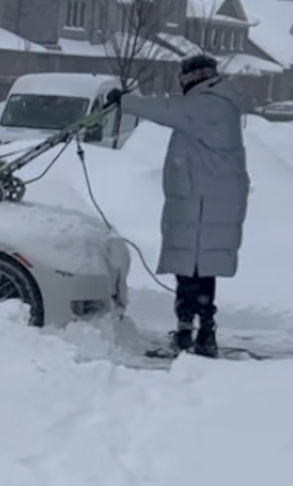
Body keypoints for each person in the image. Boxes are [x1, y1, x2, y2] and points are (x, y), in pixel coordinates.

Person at [105, 54, 251, 358]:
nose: (180, 83)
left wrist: (126, 102)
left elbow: (167, 109)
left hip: (203, 205)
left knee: (195, 269)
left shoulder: (210, 103)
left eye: (183, 77)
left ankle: (199, 332)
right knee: (194, 269)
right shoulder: (210, 99)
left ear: (195, 76)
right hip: (198, 202)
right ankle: (193, 330)